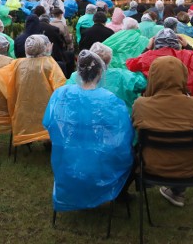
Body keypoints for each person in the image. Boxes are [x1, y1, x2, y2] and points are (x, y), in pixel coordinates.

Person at [43, 50, 133, 212]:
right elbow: (123, 138)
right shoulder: (110, 100)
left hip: (68, 166)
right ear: (100, 71)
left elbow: (48, 123)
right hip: (102, 169)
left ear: (78, 71)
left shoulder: (61, 94)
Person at [132, 56, 193, 207]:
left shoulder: (140, 105)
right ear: (183, 76)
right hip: (190, 168)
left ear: (152, 76)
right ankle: (179, 190)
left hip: (151, 166)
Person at [0, 35, 66, 148]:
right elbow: (60, 88)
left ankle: (26, 137)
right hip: (47, 112)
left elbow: (3, 79)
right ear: (44, 47)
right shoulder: (50, 64)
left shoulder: (17, 64)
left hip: (22, 111)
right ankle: (48, 141)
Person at [126, 28, 193, 109]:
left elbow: (132, 66)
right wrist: (187, 46)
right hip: (183, 101)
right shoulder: (187, 55)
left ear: (155, 42)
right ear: (176, 42)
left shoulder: (147, 57)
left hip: (154, 102)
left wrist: (147, 49)